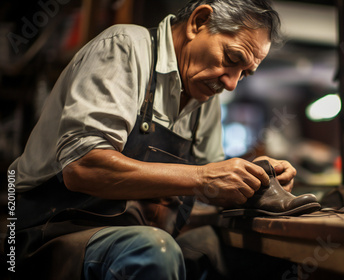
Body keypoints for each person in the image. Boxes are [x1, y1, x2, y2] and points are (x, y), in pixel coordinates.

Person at [8, 0, 294, 279]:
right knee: (154, 250)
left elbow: (209, 188)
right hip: (46, 234)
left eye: (244, 74)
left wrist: (253, 178)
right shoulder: (124, 47)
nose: (231, 83)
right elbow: (83, 167)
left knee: (261, 258)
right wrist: (203, 177)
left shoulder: (204, 94)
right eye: (232, 59)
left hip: (139, 237)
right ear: (199, 22)